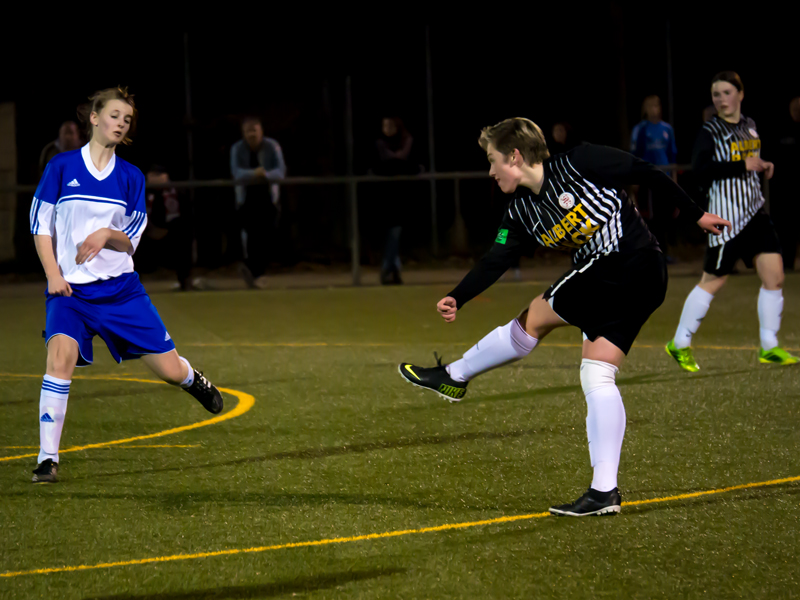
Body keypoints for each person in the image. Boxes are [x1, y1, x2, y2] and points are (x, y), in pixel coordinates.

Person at [398, 118, 729, 516]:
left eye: (492, 160)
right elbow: (496, 259)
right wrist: (458, 297)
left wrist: (695, 214)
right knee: (596, 373)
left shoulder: (582, 162)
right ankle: (604, 492)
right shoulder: (521, 211)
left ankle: (455, 376)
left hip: (630, 264)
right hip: (627, 281)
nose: (489, 170)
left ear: (515, 156)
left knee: (536, 314)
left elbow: (644, 171)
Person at [29, 87, 224, 484]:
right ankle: (47, 460)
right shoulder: (62, 167)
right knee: (59, 359)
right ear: (94, 118)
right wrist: (53, 274)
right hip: (70, 293)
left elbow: (133, 239)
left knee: (168, 371)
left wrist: (105, 233)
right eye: (114, 115)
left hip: (120, 292)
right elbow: (40, 225)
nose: (121, 123)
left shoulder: (131, 177)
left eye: (127, 119)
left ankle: (192, 379)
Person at [666, 72, 798, 371]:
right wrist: (741, 165)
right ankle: (680, 342)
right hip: (726, 219)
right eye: (716, 94)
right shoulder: (709, 131)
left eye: (727, 92)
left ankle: (769, 346)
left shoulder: (749, 126)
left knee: (775, 276)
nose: (721, 99)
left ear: (740, 94)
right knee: (713, 281)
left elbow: (749, 161)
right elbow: (699, 169)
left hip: (755, 214)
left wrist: (763, 164)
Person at [230, 116, 286, 288]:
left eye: (254, 130)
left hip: (268, 197)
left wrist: (266, 175)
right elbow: (236, 172)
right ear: (243, 133)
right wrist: (255, 173)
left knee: (267, 234)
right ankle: (257, 274)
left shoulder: (272, 146)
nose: (251, 135)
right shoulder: (238, 148)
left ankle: (252, 269)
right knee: (252, 235)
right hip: (246, 198)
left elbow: (281, 171)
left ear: (261, 131)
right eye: (248, 131)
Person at [372, 116, 420, 285]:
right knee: (391, 233)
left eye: (390, 125)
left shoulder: (406, 141)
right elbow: (380, 166)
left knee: (395, 232)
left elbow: (411, 165)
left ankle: (389, 270)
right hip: (385, 195)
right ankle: (392, 270)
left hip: (401, 195)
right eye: (384, 125)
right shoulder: (379, 144)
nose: (387, 128)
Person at [631, 96, 678, 260]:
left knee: (665, 217)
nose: (654, 109)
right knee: (650, 218)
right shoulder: (640, 129)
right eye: (650, 106)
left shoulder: (667, 129)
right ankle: (652, 252)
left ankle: (665, 252)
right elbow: (635, 155)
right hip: (648, 180)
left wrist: (674, 180)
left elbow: (672, 155)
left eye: (657, 105)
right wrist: (636, 180)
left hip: (664, 178)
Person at [136, 165, 194, 290]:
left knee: (183, 236)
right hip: (146, 232)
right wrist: (149, 229)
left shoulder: (178, 192)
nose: (155, 178)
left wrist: (168, 229)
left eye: (159, 175)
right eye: (152, 175)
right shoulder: (139, 192)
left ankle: (185, 280)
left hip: (172, 230)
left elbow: (185, 215)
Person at [771, 97, 800, 271]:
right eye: (795, 108)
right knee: (784, 226)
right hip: (783, 188)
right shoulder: (781, 130)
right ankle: (786, 262)